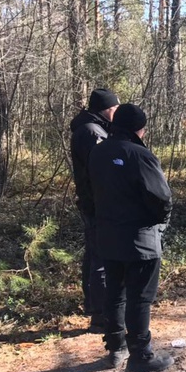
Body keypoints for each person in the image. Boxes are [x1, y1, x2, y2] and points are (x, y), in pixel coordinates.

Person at [89, 104, 174, 372]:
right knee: (140, 298)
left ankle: (116, 349)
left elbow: (90, 192)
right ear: (139, 129)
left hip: (108, 236)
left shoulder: (98, 152)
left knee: (115, 293)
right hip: (140, 240)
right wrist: (159, 223)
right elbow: (161, 198)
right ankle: (141, 355)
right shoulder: (140, 155)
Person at [69, 88, 120, 332]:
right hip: (96, 203)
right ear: (105, 109)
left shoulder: (95, 128)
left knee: (94, 254)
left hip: (95, 201)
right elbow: (100, 169)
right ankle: (100, 315)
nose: (117, 112)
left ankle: (94, 306)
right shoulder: (91, 131)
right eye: (115, 108)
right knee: (100, 257)